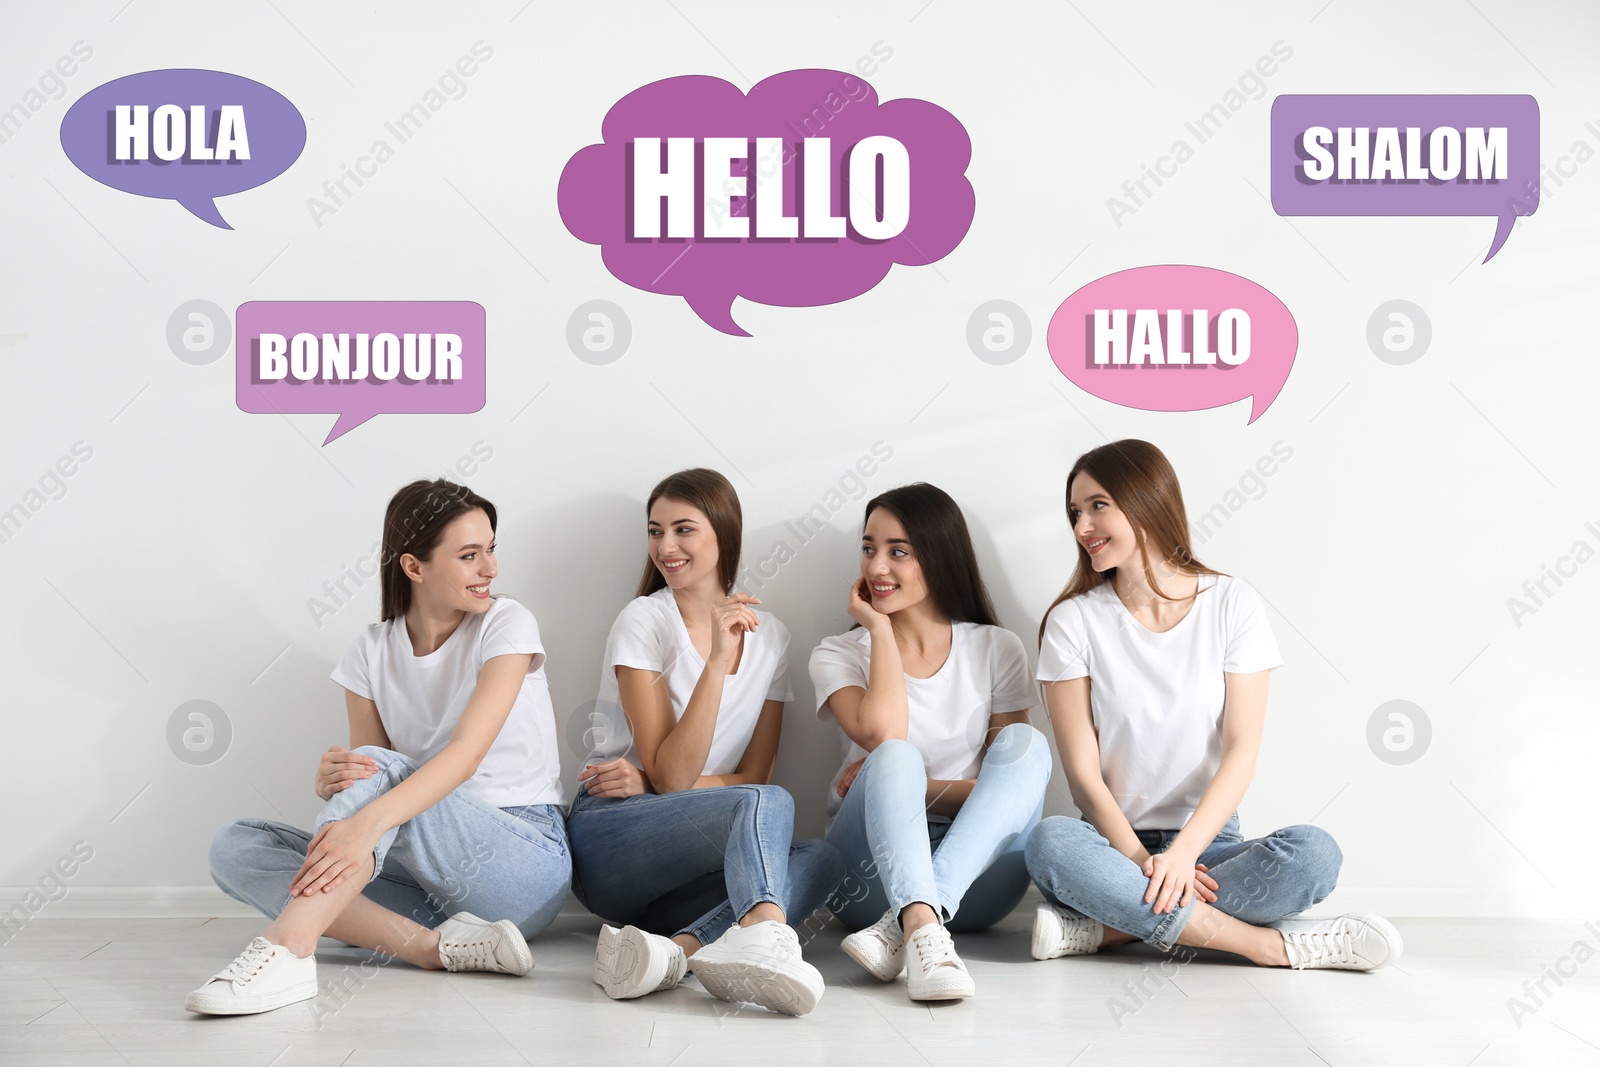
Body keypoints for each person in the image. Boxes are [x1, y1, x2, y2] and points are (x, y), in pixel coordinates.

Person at [191, 479, 571, 1015]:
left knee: (386, 773)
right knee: (233, 845)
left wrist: (364, 819)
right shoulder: (369, 651)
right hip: (419, 886)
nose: (491, 568)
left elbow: (464, 757)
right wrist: (339, 780)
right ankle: (431, 948)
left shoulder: (506, 624)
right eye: (469, 555)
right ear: (414, 567)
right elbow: (371, 774)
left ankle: (288, 948)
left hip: (520, 865)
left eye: (490, 548)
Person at [1024, 440, 1403, 971]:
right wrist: (1142, 863)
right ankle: (1267, 946)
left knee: (1315, 855)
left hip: (1208, 847)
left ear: (1145, 501)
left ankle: (1111, 928)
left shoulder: (1232, 603)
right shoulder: (1072, 621)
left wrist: (1181, 857)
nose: (1082, 525)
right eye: (1075, 513)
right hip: (1111, 849)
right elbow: (1083, 776)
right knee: (1049, 841)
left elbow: (1242, 752)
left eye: (1097, 505)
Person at [567, 468, 843, 1017]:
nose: (665, 547)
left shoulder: (773, 638)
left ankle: (676, 952)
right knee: (772, 805)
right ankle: (763, 939)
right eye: (655, 531)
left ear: (723, 533)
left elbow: (753, 778)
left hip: (686, 872)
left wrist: (659, 782)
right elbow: (674, 777)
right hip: (612, 837)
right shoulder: (643, 620)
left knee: (824, 857)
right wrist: (716, 661)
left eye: (683, 530)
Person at [811, 483, 1052, 1002]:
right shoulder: (837, 653)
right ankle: (921, 926)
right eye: (869, 548)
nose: (877, 567)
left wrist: (910, 788)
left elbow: (1013, 790)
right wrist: (877, 629)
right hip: (867, 877)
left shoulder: (995, 647)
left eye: (899, 551)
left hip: (979, 884)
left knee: (1027, 744)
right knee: (895, 754)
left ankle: (913, 919)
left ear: (940, 555)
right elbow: (885, 735)